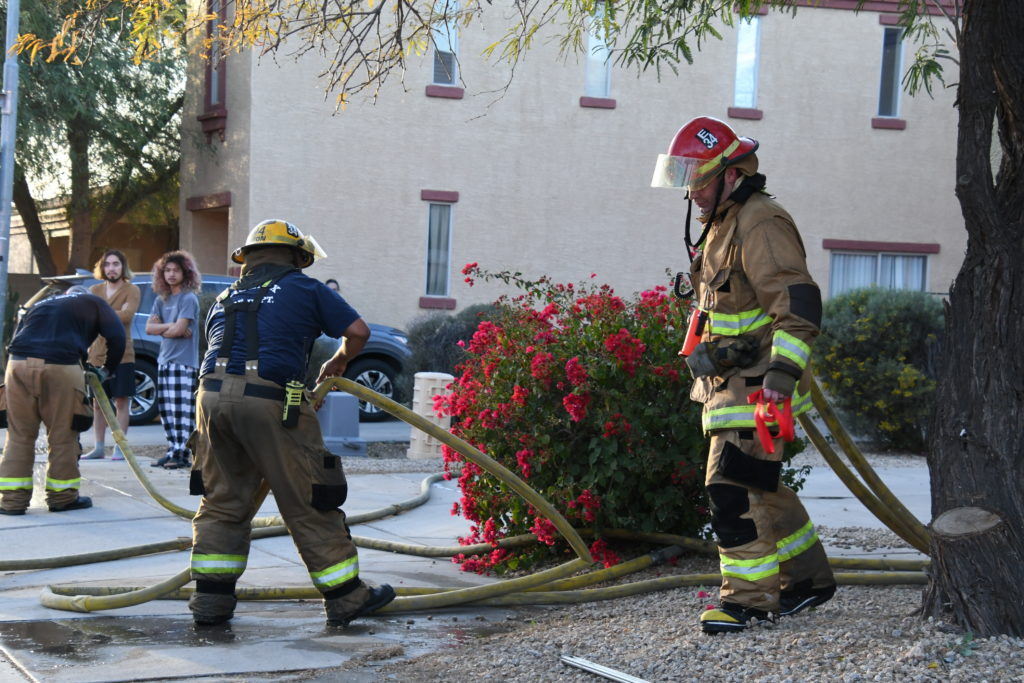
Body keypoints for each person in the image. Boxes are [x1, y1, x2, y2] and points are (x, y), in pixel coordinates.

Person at [651, 116, 836, 634]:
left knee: (730, 489)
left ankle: (749, 602)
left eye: (699, 179)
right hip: (731, 386)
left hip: (758, 390)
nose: (691, 192)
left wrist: (779, 382)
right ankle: (807, 581)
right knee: (760, 486)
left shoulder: (760, 222)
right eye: (686, 180)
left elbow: (797, 307)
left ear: (731, 174)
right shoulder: (724, 222)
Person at [187, 219, 395, 627]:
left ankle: (210, 603)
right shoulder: (305, 287)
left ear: (248, 258)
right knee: (309, 497)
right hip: (271, 400)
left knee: (221, 501)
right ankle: (346, 597)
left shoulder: (225, 296)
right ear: (297, 257)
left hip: (209, 400)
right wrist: (338, 360)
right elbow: (358, 332)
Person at [0, 286, 125, 515]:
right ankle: (62, 498)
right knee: (63, 435)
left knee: (19, 435)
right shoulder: (95, 303)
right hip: (61, 365)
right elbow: (117, 337)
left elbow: (16, 337)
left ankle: (12, 501)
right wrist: (107, 370)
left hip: (17, 365)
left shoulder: (41, 304)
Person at [82, 249, 141, 461]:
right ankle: (98, 447)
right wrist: (113, 313)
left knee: (121, 402)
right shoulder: (94, 290)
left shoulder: (132, 290)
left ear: (123, 267)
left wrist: (101, 313)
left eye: (115, 264)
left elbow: (126, 317)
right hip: (96, 355)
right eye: (107, 264)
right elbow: (88, 317)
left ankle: (120, 447)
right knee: (98, 404)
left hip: (123, 354)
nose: (111, 268)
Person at [145, 251, 201, 470]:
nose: (171, 274)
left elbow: (179, 330)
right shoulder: (162, 300)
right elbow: (150, 328)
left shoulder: (189, 298)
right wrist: (170, 326)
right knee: (167, 412)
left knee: (182, 412)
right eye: (167, 270)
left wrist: (166, 328)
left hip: (183, 363)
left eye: (176, 270)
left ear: (185, 272)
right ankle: (172, 450)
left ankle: (182, 454)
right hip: (164, 361)